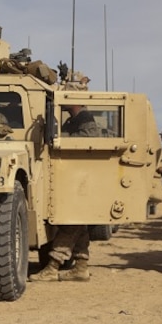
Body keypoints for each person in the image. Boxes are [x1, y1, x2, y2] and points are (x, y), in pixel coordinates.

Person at [30, 104, 101, 282]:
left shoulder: (84, 118)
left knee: (71, 222)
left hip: (79, 178)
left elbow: (89, 138)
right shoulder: (75, 119)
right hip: (75, 177)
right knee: (80, 225)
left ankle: (53, 266)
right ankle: (81, 267)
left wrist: (60, 137)